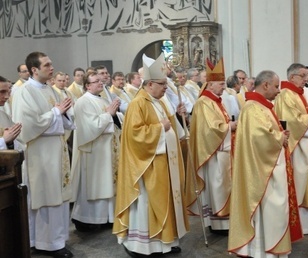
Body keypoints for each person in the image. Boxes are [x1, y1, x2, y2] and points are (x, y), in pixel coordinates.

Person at [113, 53, 189, 256]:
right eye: (162, 83)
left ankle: (166, 242)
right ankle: (142, 246)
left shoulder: (161, 101)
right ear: (149, 84)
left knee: (166, 202)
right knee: (147, 204)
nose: (166, 87)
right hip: (147, 166)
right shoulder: (138, 104)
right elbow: (135, 136)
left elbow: (173, 128)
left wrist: (178, 121)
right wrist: (159, 128)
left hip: (165, 163)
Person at [228, 70, 302, 257]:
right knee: (267, 209)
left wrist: (279, 135)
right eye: (276, 86)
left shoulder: (262, 106)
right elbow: (259, 137)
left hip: (270, 166)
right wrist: (280, 137)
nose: (279, 91)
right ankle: (262, 249)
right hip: (262, 171)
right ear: (266, 85)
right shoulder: (253, 108)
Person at [12, 51, 75, 258]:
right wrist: (57, 112)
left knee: (58, 197)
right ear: (34, 69)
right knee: (46, 198)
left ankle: (56, 240)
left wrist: (64, 113)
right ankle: (46, 243)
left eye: (51, 63)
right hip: (41, 154)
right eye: (47, 65)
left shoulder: (50, 89)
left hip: (56, 151)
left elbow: (63, 119)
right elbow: (27, 125)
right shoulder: (24, 91)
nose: (52, 68)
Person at [274, 63, 308, 235]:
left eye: (306, 75)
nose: (306, 79)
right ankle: (300, 222)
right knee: (300, 178)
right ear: (292, 77)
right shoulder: (286, 94)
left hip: (306, 143)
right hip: (297, 146)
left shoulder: (297, 93)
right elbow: (291, 120)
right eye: (303, 75)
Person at [186, 58, 236, 231]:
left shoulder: (215, 100)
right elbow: (210, 130)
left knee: (223, 184)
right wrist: (230, 126)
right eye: (221, 83)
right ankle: (218, 223)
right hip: (213, 152)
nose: (224, 87)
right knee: (218, 184)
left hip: (223, 150)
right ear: (210, 84)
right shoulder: (204, 102)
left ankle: (226, 219)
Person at [70, 71, 120, 232]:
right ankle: (88, 219)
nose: (101, 83)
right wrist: (109, 115)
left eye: (101, 80)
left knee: (107, 183)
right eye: (96, 81)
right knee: (96, 185)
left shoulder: (103, 99)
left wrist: (116, 115)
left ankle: (107, 217)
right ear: (87, 85)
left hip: (106, 151)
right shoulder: (83, 102)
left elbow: (112, 118)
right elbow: (90, 127)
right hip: (94, 153)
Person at [0, 76, 21, 150]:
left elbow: (19, 145)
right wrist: (3, 140)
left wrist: (10, 142)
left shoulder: (4, 116)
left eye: (8, 92)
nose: (6, 96)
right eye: (2, 92)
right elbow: (5, 139)